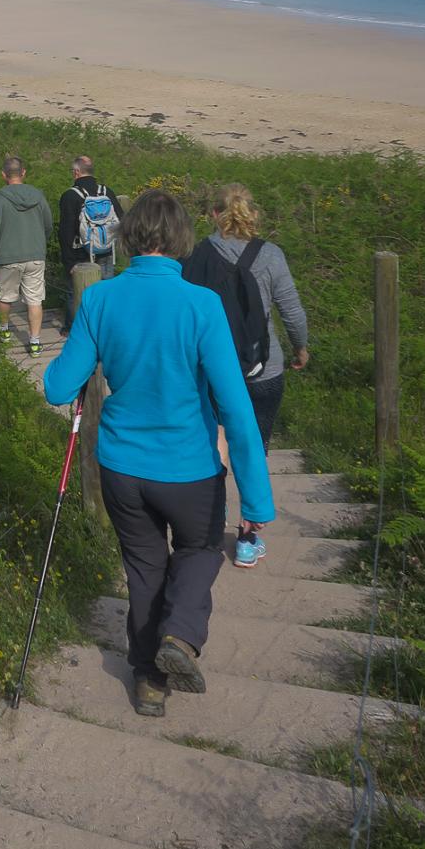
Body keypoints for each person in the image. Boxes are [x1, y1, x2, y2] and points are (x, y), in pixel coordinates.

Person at [42, 189, 274, 718]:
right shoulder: (201, 305)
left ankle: (148, 683)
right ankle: (182, 637)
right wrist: (256, 503)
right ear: (182, 242)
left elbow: (58, 388)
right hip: (189, 469)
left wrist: (84, 359)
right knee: (197, 551)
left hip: (122, 468)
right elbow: (235, 410)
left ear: (128, 238)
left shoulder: (99, 299)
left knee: (145, 569)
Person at [184, 184, 309, 570]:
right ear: (252, 214)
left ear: (213, 214)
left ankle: (210, 521)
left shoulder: (197, 255)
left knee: (217, 440)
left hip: (212, 368)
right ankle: (246, 538)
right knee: (255, 448)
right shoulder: (271, 255)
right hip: (263, 368)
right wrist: (301, 347)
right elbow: (292, 311)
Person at [0, 157, 54, 358]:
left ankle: (4, 330)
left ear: (3, 175)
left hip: (7, 256)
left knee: (4, 295)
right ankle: (35, 342)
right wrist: (40, 242)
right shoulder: (38, 195)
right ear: (23, 173)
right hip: (35, 255)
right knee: (34, 299)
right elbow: (48, 224)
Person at [58, 155, 124, 328]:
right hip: (106, 250)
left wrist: (68, 261)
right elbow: (121, 219)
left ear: (76, 172)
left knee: (75, 292)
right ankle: (105, 325)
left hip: (80, 252)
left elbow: (65, 231)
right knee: (105, 290)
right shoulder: (106, 191)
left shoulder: (70, 196)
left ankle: (72, 328)